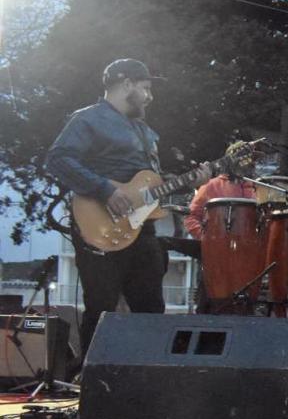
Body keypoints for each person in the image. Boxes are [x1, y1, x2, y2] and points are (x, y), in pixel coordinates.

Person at [46, 59, 211, 355]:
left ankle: (149, 370)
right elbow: (58, 159)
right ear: (126, 85)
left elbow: (150, 185)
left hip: (142, 230)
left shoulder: (144, 131)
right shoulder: (88, 119)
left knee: (151, 310)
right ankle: (91, 375)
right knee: (101, 308)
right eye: (145, 88)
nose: (150, 96)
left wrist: (190, 181)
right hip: (98, 227)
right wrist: (105, 189)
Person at [185, 171, 258, 313]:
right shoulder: (210, 185)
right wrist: (206, 239)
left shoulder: (256, 188)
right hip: (215, 258)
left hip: (246, 257)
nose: (249, 163)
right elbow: (191, 216)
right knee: (210, 305)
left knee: (245, 307)